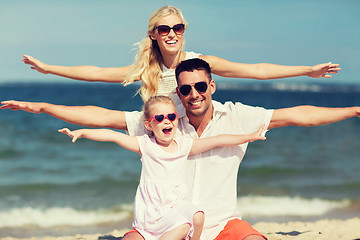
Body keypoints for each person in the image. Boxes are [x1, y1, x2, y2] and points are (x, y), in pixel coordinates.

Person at [1, 58, 359, 240]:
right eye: (185, 89)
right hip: (160, 227)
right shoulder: (164, 121)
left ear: (212, 85)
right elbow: (102, 117)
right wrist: (42, 107)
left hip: (219, 225)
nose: (193, 95)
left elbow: (298, 116)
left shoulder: (238, 117)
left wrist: (354, 110)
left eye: (200, 86)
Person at [22, 5, 340, 108]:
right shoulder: (146, 69)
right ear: (154, 34)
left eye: (178, 27)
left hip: (197, 135)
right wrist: (48, 69)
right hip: (163, 136)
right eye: (164, 28)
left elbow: (255, 69)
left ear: (184, 30)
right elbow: (94, 72)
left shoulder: (201, 62)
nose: (172, 33)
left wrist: (306, 70)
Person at [58, 95, 267, 240]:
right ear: (149, 124)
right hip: (153, 208)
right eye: (160, 118)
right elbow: (113, 135)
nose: (167, 121)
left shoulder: (184, 145)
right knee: (183, 225)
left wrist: (249, 136)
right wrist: (82, 132)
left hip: (175, 204)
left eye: (171, 117)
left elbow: (218, 140)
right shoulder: (146, 145)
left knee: (198, 215)